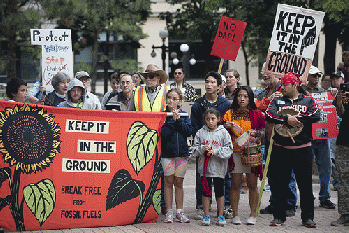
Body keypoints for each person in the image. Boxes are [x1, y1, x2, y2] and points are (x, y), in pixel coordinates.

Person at [265, 72, 320, 228]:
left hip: (303, 149)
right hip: (281, 149)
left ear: (295, 85)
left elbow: (316, 115)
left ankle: (308, 218)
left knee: (305, 185)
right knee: (279, 184)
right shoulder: (277, 100)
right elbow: (268, 115)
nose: (282, 87)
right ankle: (279, 216)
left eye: (285, 85)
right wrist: (285, 119)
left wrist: (296, 120)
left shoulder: (308, 100)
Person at [190, 71, 231, 220]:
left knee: (224, 179)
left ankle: (225, 207)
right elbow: (194, 127)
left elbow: (228, 126)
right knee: (202, 179)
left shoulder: (226, 104)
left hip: (220, 149)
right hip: (204, 148)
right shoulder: (198, 104)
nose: (209, 85)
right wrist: (203, 144)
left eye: (213, 82)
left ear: (219, 86)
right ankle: (201, 207)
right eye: (207, 81)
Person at [257, 72, 298, 217]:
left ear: (277, 75)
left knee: (288, 174)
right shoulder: (263, 93)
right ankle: (275, 203)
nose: (264, 76)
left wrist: (282, 100)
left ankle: (290, 204)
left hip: (284, 138)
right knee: (272, 173)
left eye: (267, 73)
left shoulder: (287, 92)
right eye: (263, 74)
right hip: (269, 138)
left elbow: (295, 109)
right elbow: (257, 109)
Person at [223, 86, 265, 225]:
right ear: (235, 98)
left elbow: (264, 132)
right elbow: (220, 130)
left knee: (253, 184)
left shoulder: (257, 114)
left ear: (250, 98)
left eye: (246, 96)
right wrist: (225, 126)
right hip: (235, 152)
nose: (242, 99)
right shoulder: (228, 113)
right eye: (240, 96)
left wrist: (257, 133)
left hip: (252, 152)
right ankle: (235, 215)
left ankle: (253, 214)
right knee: (235, 184)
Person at [191, 108, 234, 226]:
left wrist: (215, 151)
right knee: (205, 193)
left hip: (219, 169)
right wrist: (202, 149)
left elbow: (229, 149)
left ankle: (220, 215)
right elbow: (194, 150)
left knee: (220, 192)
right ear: (204, 120)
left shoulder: (223, 132)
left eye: (213, 119)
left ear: (218, 119)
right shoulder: (200, 132)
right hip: (205, 171)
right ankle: (206, 215)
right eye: (208, 119)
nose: (210, 122)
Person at [301, 66, 336, 209]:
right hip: (306, 135)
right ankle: (308, 196)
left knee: (326, 167)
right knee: (305, 168)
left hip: (322, 135)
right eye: (313, 75)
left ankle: (325, 197)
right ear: (307, 76)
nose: (316, 78)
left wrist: (334, 93)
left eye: (318, 76)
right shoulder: (300, 92)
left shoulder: (324, 92)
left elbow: (332, 110)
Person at [161, 88, 193, 223]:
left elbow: (188, 131)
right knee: (168, 182)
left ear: (179, 101)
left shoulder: (184, 115)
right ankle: (169, 212)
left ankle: (179, 211)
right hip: (167, 154)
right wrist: (171, 121)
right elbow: (162, 134)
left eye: (174, 99)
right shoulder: (163, 115)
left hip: (182, 155)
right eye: (169, 98)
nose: (171, 101)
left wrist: (179, 120)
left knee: (179, 182)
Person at [330, 84, 349, 226]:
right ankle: (345, 214)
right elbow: (341, 113)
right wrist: (339, 102)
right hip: (344, 141)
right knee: (342, 179)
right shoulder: (344, 90)